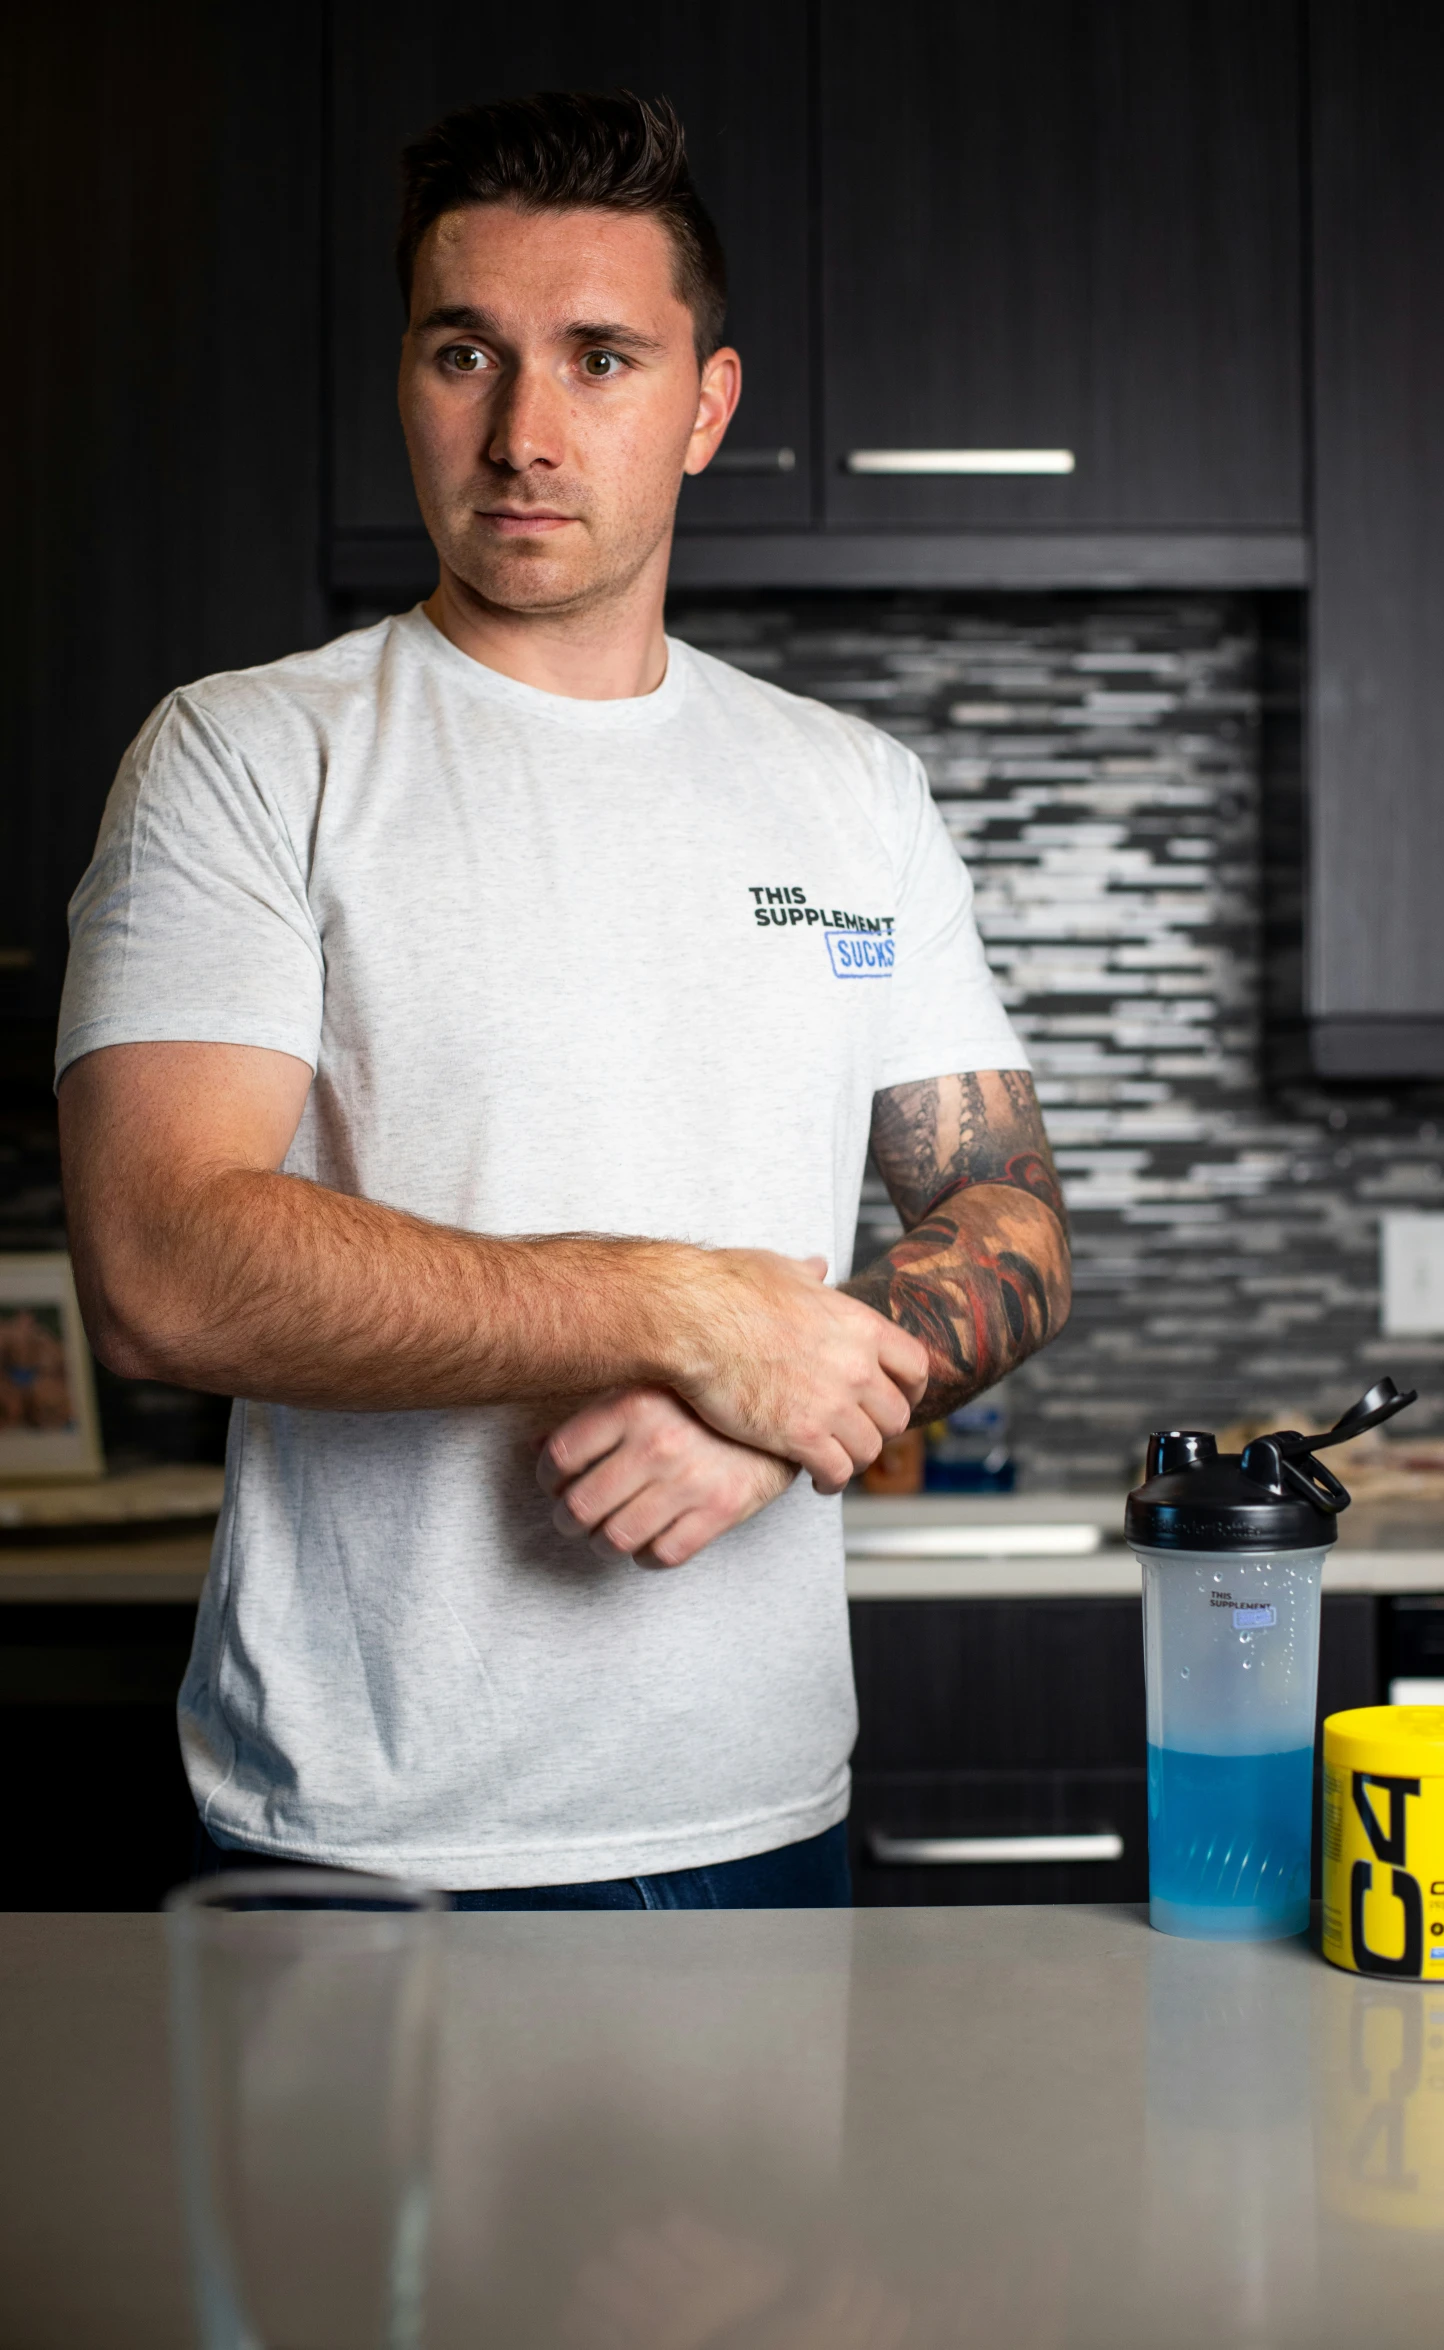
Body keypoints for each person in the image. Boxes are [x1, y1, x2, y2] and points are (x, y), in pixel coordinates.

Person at [56, 91, 1070, 1909]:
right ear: (407, 378)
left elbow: (1005, 1218)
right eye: (469, 353)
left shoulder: (850, 789)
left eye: (599, 357)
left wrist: (770, 1407)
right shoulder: (247, 754)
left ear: (705, 406)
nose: (523, 432)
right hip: (361, 1849)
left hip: (764, 1817)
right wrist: (685, 1308)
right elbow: (159, 1265)